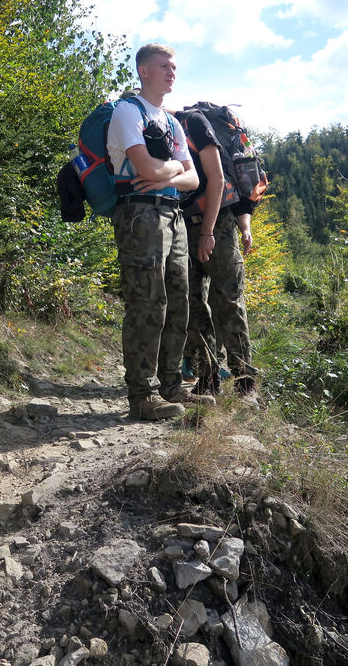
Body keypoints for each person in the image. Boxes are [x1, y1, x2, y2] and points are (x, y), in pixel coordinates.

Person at [107, 43, 213, 420]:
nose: (172, 72)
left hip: (173, 216)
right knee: (148, 302)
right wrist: (171, 169)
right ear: (143, 71)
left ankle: (171, 386)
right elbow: (146, 169)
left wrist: (163, 169)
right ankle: (142, 394)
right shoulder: (127, 112)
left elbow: (194, 178)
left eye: (174, 66)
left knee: (179, 300)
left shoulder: (171, 122)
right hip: (140, 216)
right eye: (163, 66)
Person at [178, 108, 260, 403]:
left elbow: (220, 178)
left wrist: (211, 231)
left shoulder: (193, 124)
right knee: (193, 302)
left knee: (227, 300)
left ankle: (245, 383)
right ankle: (206, 380)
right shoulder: (151, 128)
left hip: (217, 223)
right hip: (182, 224)